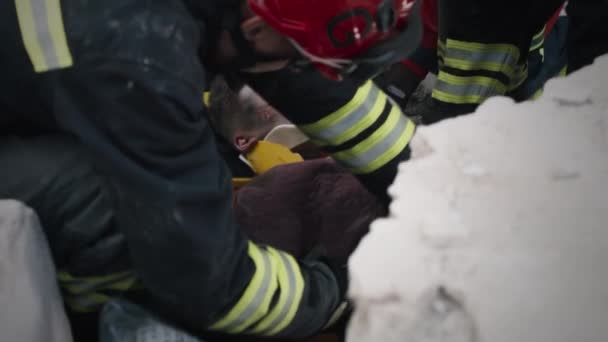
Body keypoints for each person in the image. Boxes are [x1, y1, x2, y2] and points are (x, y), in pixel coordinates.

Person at [0, 0, 419, 340]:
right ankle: (102, 318)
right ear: (255, 29)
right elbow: (214, 288)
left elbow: (303, 77)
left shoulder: (242, 18)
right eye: (310, 58)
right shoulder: (139, 58)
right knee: (101, 203)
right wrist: (342, 287)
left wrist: (418, 178)